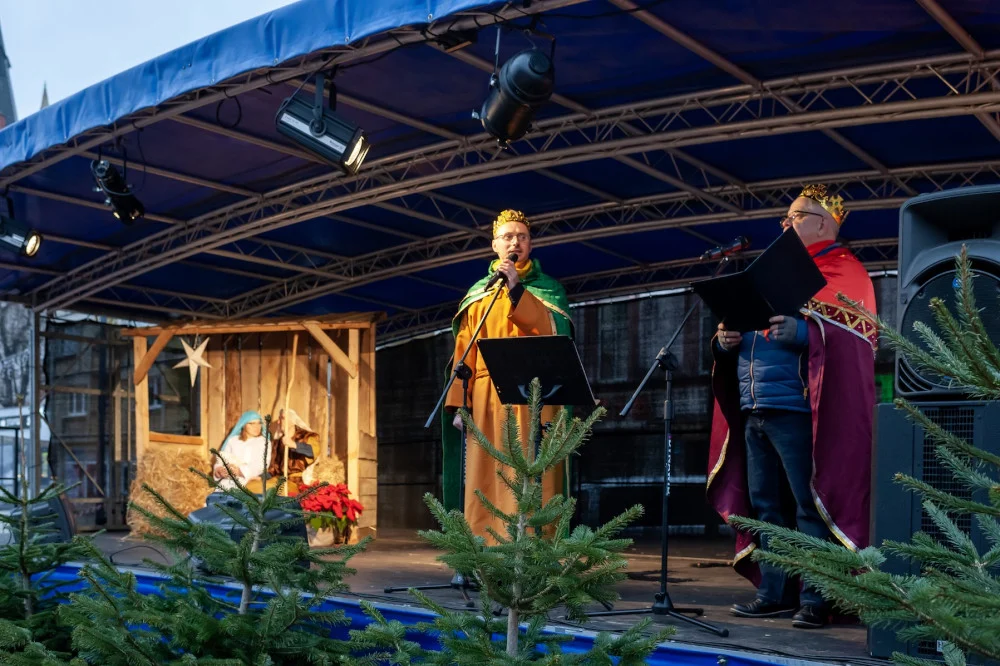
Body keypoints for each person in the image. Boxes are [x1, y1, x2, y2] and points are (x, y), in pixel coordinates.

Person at [706, 184, 878, 629]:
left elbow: (855, 343)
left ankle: (816, 598)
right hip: (754, 406)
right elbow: (747, 330)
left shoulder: (845, 270)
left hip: (801, 412)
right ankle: (774, 593)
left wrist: (802, 333)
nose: (785, 222)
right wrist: (724, 341)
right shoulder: (770, 271)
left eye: (796, 215)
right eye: (786, 216)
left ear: (823, 223)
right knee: (766, 506)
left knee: (810, 505)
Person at [442, 209, 573, 542]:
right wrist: (460, 405)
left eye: (522, 237)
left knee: (533, 473)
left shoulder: (548, 290)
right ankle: (484, 547)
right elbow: (464, 351)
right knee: (487, 474)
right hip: (488, 399)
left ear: (530, 244)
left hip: (535, 396)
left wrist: (516, 290)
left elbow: (554, 335)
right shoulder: (479, 294)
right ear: (495, 245)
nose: (516, 242)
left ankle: (535, 549)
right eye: (508, 237)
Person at [213, 410, 270, 491]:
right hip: (227, 481)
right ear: (243, 425)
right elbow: (222, 458)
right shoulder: (232, 440)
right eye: (252, 423)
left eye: (259, 423)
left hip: (250, 481)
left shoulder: (264, 442)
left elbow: (262, 464)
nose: (257, 427)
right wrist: (219, 471)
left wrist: (240, 471)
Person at [268, 407, 317, 493]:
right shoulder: (277, 442)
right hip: (279, 479)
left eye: (282, 418)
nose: (278, 422)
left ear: (292, 420)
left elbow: (313, 451)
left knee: (279, 491)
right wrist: (262, 477)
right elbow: (273, 467)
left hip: (297, 481)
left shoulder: (306, 437)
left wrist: (295, 445)